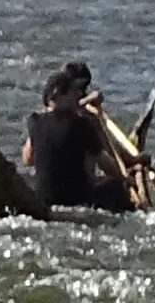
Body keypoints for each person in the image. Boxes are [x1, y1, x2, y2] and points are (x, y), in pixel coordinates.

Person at [25, 62, 145, 212]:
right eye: (75, 90)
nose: (79, 94)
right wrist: (125, 181)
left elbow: (27, 160)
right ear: (59, 95)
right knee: (115, 188)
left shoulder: (35, 121)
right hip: (77, 201)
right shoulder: (82, 124)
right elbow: (106, 164)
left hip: (45, 201)